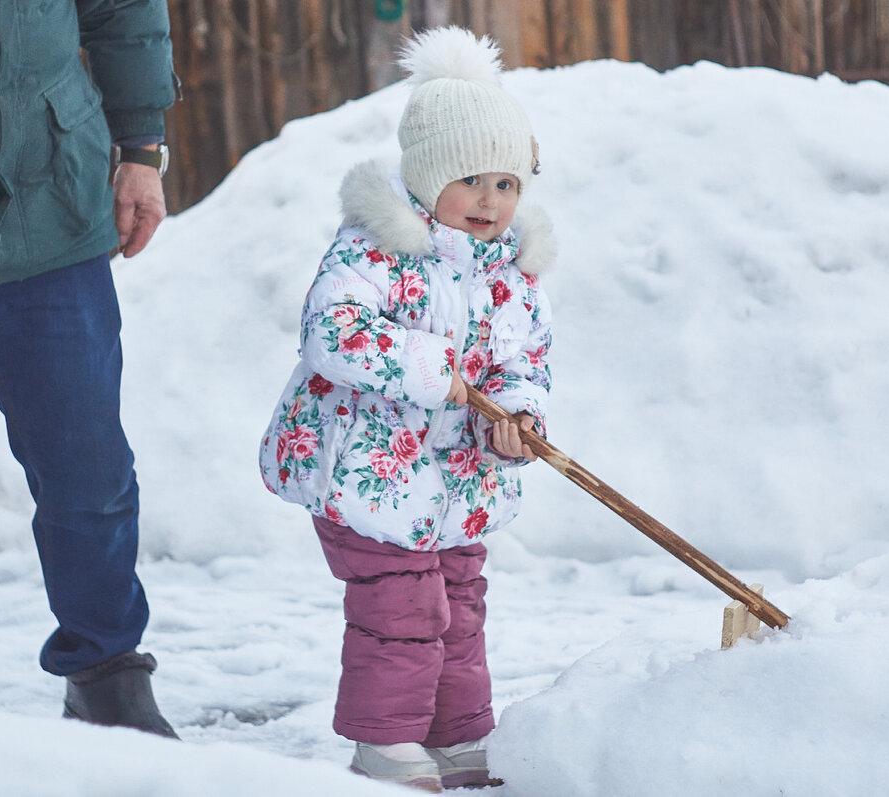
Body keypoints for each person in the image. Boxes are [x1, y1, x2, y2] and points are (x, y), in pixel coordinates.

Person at [259, 26, 554, 791]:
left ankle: (459, 737)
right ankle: (384, 744)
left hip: (457, 482)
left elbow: (525, 358)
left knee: (458, 603)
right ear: (426, 177)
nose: (491, 201)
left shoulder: (513, 276)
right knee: (403, 607)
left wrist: (516, 417)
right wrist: (430, 367)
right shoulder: (372, 253)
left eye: (508, 183)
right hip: (368, 477)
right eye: (472, 180)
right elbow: (334, 333)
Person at [0, 1, 179, 738]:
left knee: (87, 465)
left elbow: (124, 9)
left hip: (51, 203)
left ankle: (105, 670)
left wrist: (140, 149)